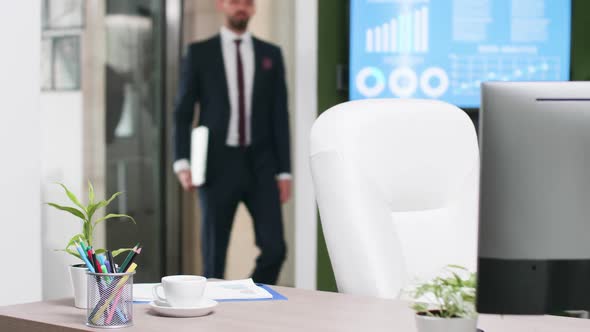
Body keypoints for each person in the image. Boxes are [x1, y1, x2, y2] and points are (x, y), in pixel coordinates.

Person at [172, 0, 291, 285]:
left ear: (253, 9)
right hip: (216, 164)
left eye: (248, 3)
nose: (242, 8)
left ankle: (246, 298)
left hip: (262, 163)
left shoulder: (270, 55)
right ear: (221, 5)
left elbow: (279, 116)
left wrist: (284, 171)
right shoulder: (199, 53)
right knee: (214, 258)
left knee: (275, 249)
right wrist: (182, 161)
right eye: (235, 2)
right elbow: (183, 112)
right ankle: (214, 321)